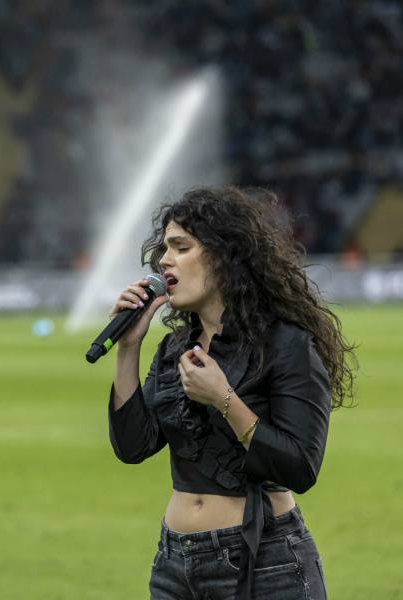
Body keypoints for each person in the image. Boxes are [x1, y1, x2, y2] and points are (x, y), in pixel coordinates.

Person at [107, 186, 355, 600]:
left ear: (225, 256)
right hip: (174, 564)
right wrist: (128, 348)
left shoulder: (286, 344)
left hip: (264, 560)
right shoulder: (174, 349)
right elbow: (133, 447)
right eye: (164, 248)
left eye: (181, 247)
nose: (164, 260)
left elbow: (300, 468)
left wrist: (224, 399)